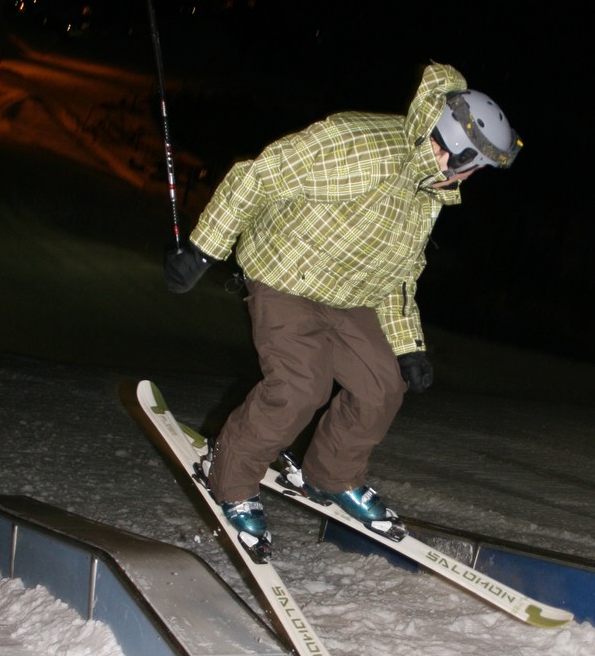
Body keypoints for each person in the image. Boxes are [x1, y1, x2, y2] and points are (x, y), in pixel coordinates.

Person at [163, 60, 521, 558]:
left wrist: (408, 346)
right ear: (452, 147)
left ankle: (331, 475)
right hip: (286, 275)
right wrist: (204, 248)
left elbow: (398, 272)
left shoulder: (427, 192)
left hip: (349, 295)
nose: (473, 176)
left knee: (383, 386)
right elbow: (258, 176)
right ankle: (228, 477)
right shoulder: (362, 147)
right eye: (475, 165)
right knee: (300, 387)